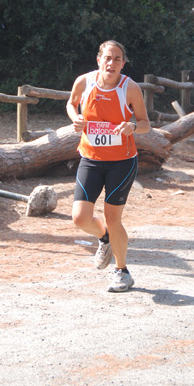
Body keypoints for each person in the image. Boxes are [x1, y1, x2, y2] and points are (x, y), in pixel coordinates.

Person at [66, 40, 150, 292]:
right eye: (107, 58)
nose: (111, 63)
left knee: (113, 219)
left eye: (117, 59)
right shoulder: (84, 82)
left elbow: (146, 123)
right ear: (99, 60)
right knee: (80, 217)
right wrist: (76, 118)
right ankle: (103, 238)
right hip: (91, 159)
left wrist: (133, 126)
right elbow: (71, 103)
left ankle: (121, 271)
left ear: (123, 64)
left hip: (121, 163)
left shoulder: (130, 88)